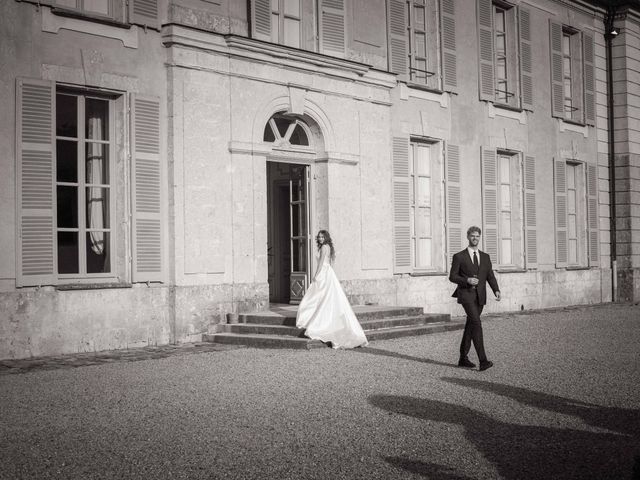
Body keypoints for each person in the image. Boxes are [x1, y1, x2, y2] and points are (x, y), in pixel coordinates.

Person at [296, 230, 368, 349]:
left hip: (323, 273)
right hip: (328, 272)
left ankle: (315, 320)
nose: (320, 239)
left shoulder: (324, 247)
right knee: (325, 297)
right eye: (319, 237)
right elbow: (330, 263)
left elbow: (321, 263)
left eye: (322, 237)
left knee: (315, 296)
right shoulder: (329, 247)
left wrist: (316, 275)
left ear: (326, 238)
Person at [449, 226, 501, 371]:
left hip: (480, 297)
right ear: (467, 236)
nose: (475, 238)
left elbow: (490, 275)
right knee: (477, 323)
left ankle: (463, 358)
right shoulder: (459, 256)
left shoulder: (485, 257)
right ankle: (483, 361)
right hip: (466, 295)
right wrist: (467, 280)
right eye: (472, 236)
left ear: (480, 237)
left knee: (470, 326)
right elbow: (452, 276)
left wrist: (496, 289)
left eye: (477, 236)